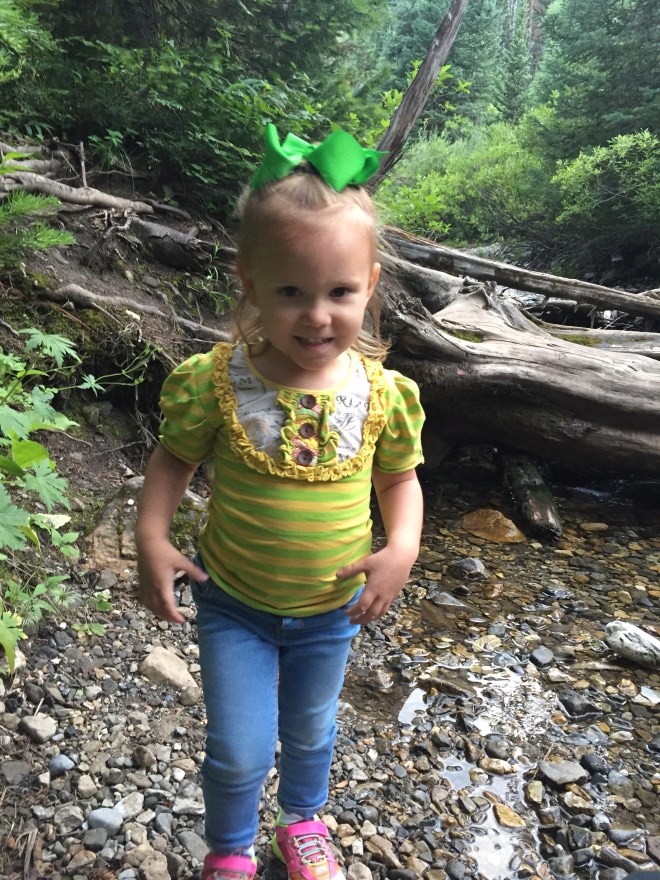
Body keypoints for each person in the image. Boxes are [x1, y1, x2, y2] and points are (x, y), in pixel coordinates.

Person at [135, 123, 425, 880]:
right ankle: (230, 849)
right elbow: (172, 462)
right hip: (234, 603)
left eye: (339, 292)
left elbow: (399, 480)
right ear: (250, 282)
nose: (316, 316)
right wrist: (153, 538)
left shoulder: (382, 394)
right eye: (291, 292)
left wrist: (401, 548)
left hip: (332, 612)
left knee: (311, 729)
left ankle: (302, 821)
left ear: (370, 285)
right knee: (238, 746)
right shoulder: (217, 382)